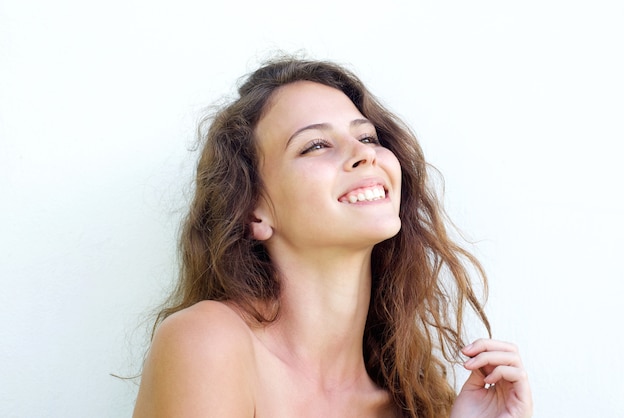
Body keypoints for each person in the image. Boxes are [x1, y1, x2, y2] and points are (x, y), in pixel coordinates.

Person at [132, 56, 533, 418]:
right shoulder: (209, 342)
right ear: (254, 211)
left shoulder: (411, 403)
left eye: (368, 137)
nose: (365, 154)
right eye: (316, 145)